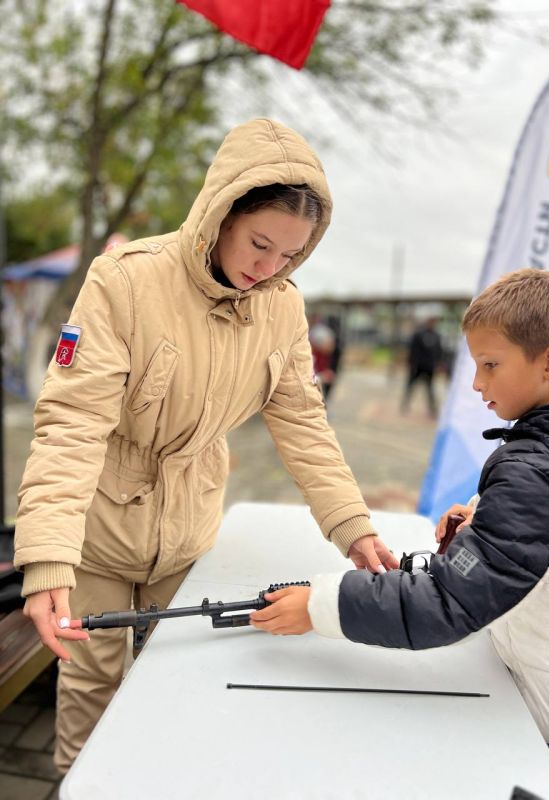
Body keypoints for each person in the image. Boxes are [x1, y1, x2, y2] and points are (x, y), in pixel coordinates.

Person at [13, 118, 398, 773]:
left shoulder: (282, 308)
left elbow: (304, 424)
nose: (268, 268)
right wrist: (48, 557)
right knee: (91, 683)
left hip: (190, 524)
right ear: (219, 211)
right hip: (100, 527)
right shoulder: (125, 282)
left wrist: (352, 525)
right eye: (258, 244)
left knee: (177, 680)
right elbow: (72, 426)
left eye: (290, 256)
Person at [252, 268, 549, 800]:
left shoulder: (540, 474)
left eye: (490, 365)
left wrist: (319, 605)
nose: (477, 384)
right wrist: (484, 519)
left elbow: (445, 601)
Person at [401, 315, 443, 417]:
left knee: (430, 389)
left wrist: (438, 363)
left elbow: (439, 351)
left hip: (429, 367)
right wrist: (412, 363)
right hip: (417, 366)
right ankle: (404, 405)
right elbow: (412, 350)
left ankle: (432, 409)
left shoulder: (436, 336)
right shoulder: (418, 334)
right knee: (410, 387)